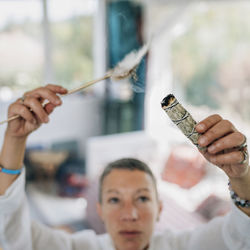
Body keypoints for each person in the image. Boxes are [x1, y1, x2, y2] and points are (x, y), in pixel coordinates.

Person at [0, 84, 250, 250]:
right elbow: (13, 234)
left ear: (159, 208)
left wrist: (242, 176)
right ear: (99, 210)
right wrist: (15, 138)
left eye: (142, 198)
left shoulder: (184, 245)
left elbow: (240, 236)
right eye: (114, 200)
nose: (129, 214)